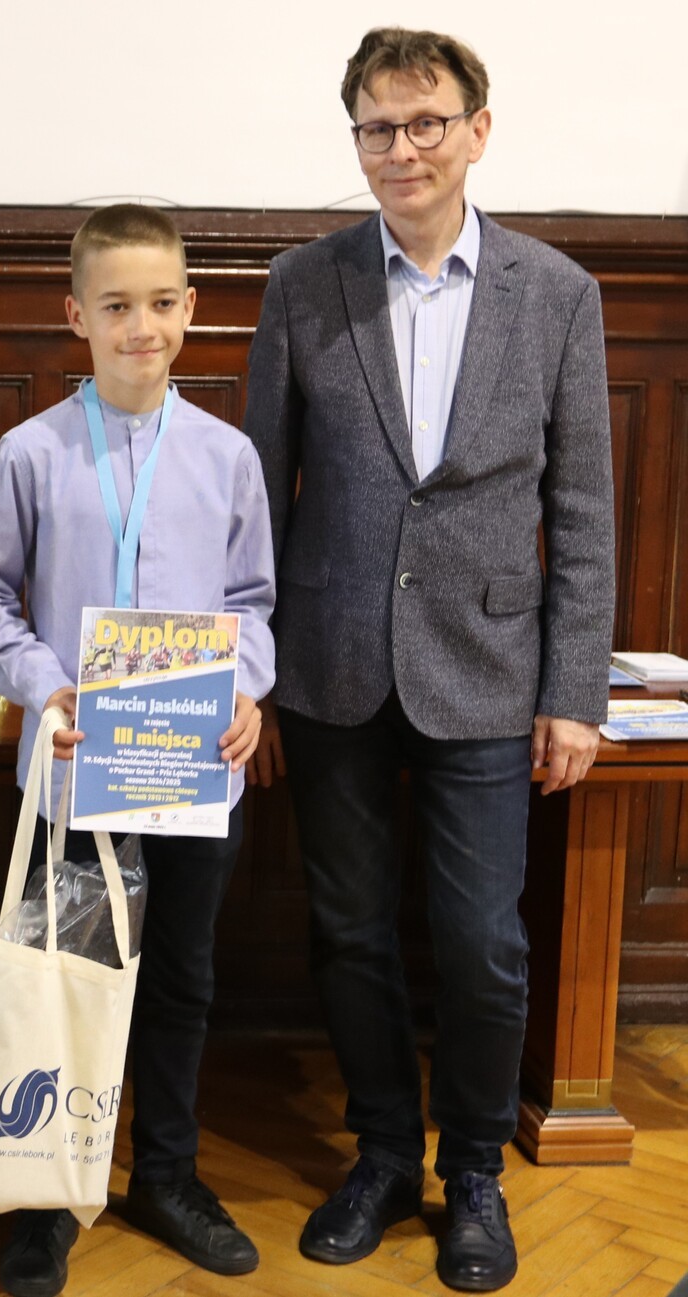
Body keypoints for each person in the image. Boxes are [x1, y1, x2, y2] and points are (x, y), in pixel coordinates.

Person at [243, 27, 614, 1293]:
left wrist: (573, 692)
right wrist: (256, 677)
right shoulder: (305, 285)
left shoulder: (556, 293)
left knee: (479, 942)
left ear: (476, 130)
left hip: (489, 669)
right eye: (377, 128)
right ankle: (384, 1155)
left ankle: (476, 1174)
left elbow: (584, 512)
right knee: (349, 931)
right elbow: (261, 495)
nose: (401, 149)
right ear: (355, 139)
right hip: (330, 664)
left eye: (425, 123)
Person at [0, 205, 276, 1296]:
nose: (144, 327)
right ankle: (45, 1194)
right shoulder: (30, 452)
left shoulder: (228, 456)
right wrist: (43, 685)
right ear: (76, 314)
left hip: (195, 772)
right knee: (64, 976)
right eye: (119, 306)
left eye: (163, 303)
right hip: (74, 768)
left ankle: (166, 1175)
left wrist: (248, 688)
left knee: (181, 978)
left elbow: (253, 602)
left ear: (192, 309)